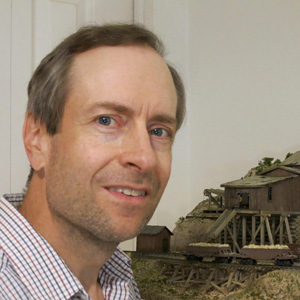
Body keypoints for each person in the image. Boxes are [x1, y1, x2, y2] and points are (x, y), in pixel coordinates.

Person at [0, 24, 185, 300]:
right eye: (106, 120)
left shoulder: (117, 279)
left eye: (158, 131)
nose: (144, 158)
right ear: (37, 139)